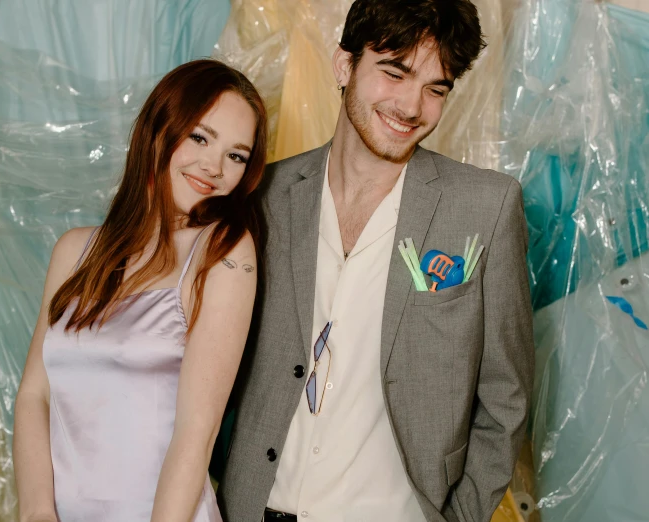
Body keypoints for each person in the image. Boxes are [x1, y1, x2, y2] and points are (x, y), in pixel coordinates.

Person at [218, 1, 534, 521]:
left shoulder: (485, 207)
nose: (412, 106)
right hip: (258, 508)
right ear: (345, 66)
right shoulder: (264, 196)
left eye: (437, 88)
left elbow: (507, 397)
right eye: (395, 72)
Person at [13, 59, 267, 522]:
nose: (213, 166)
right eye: (200, 137)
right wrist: (36, 512)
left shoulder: (226, 251)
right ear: (160, 129)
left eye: (236, 155)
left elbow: (199, 429)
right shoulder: (73, 251)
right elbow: (35, 394)